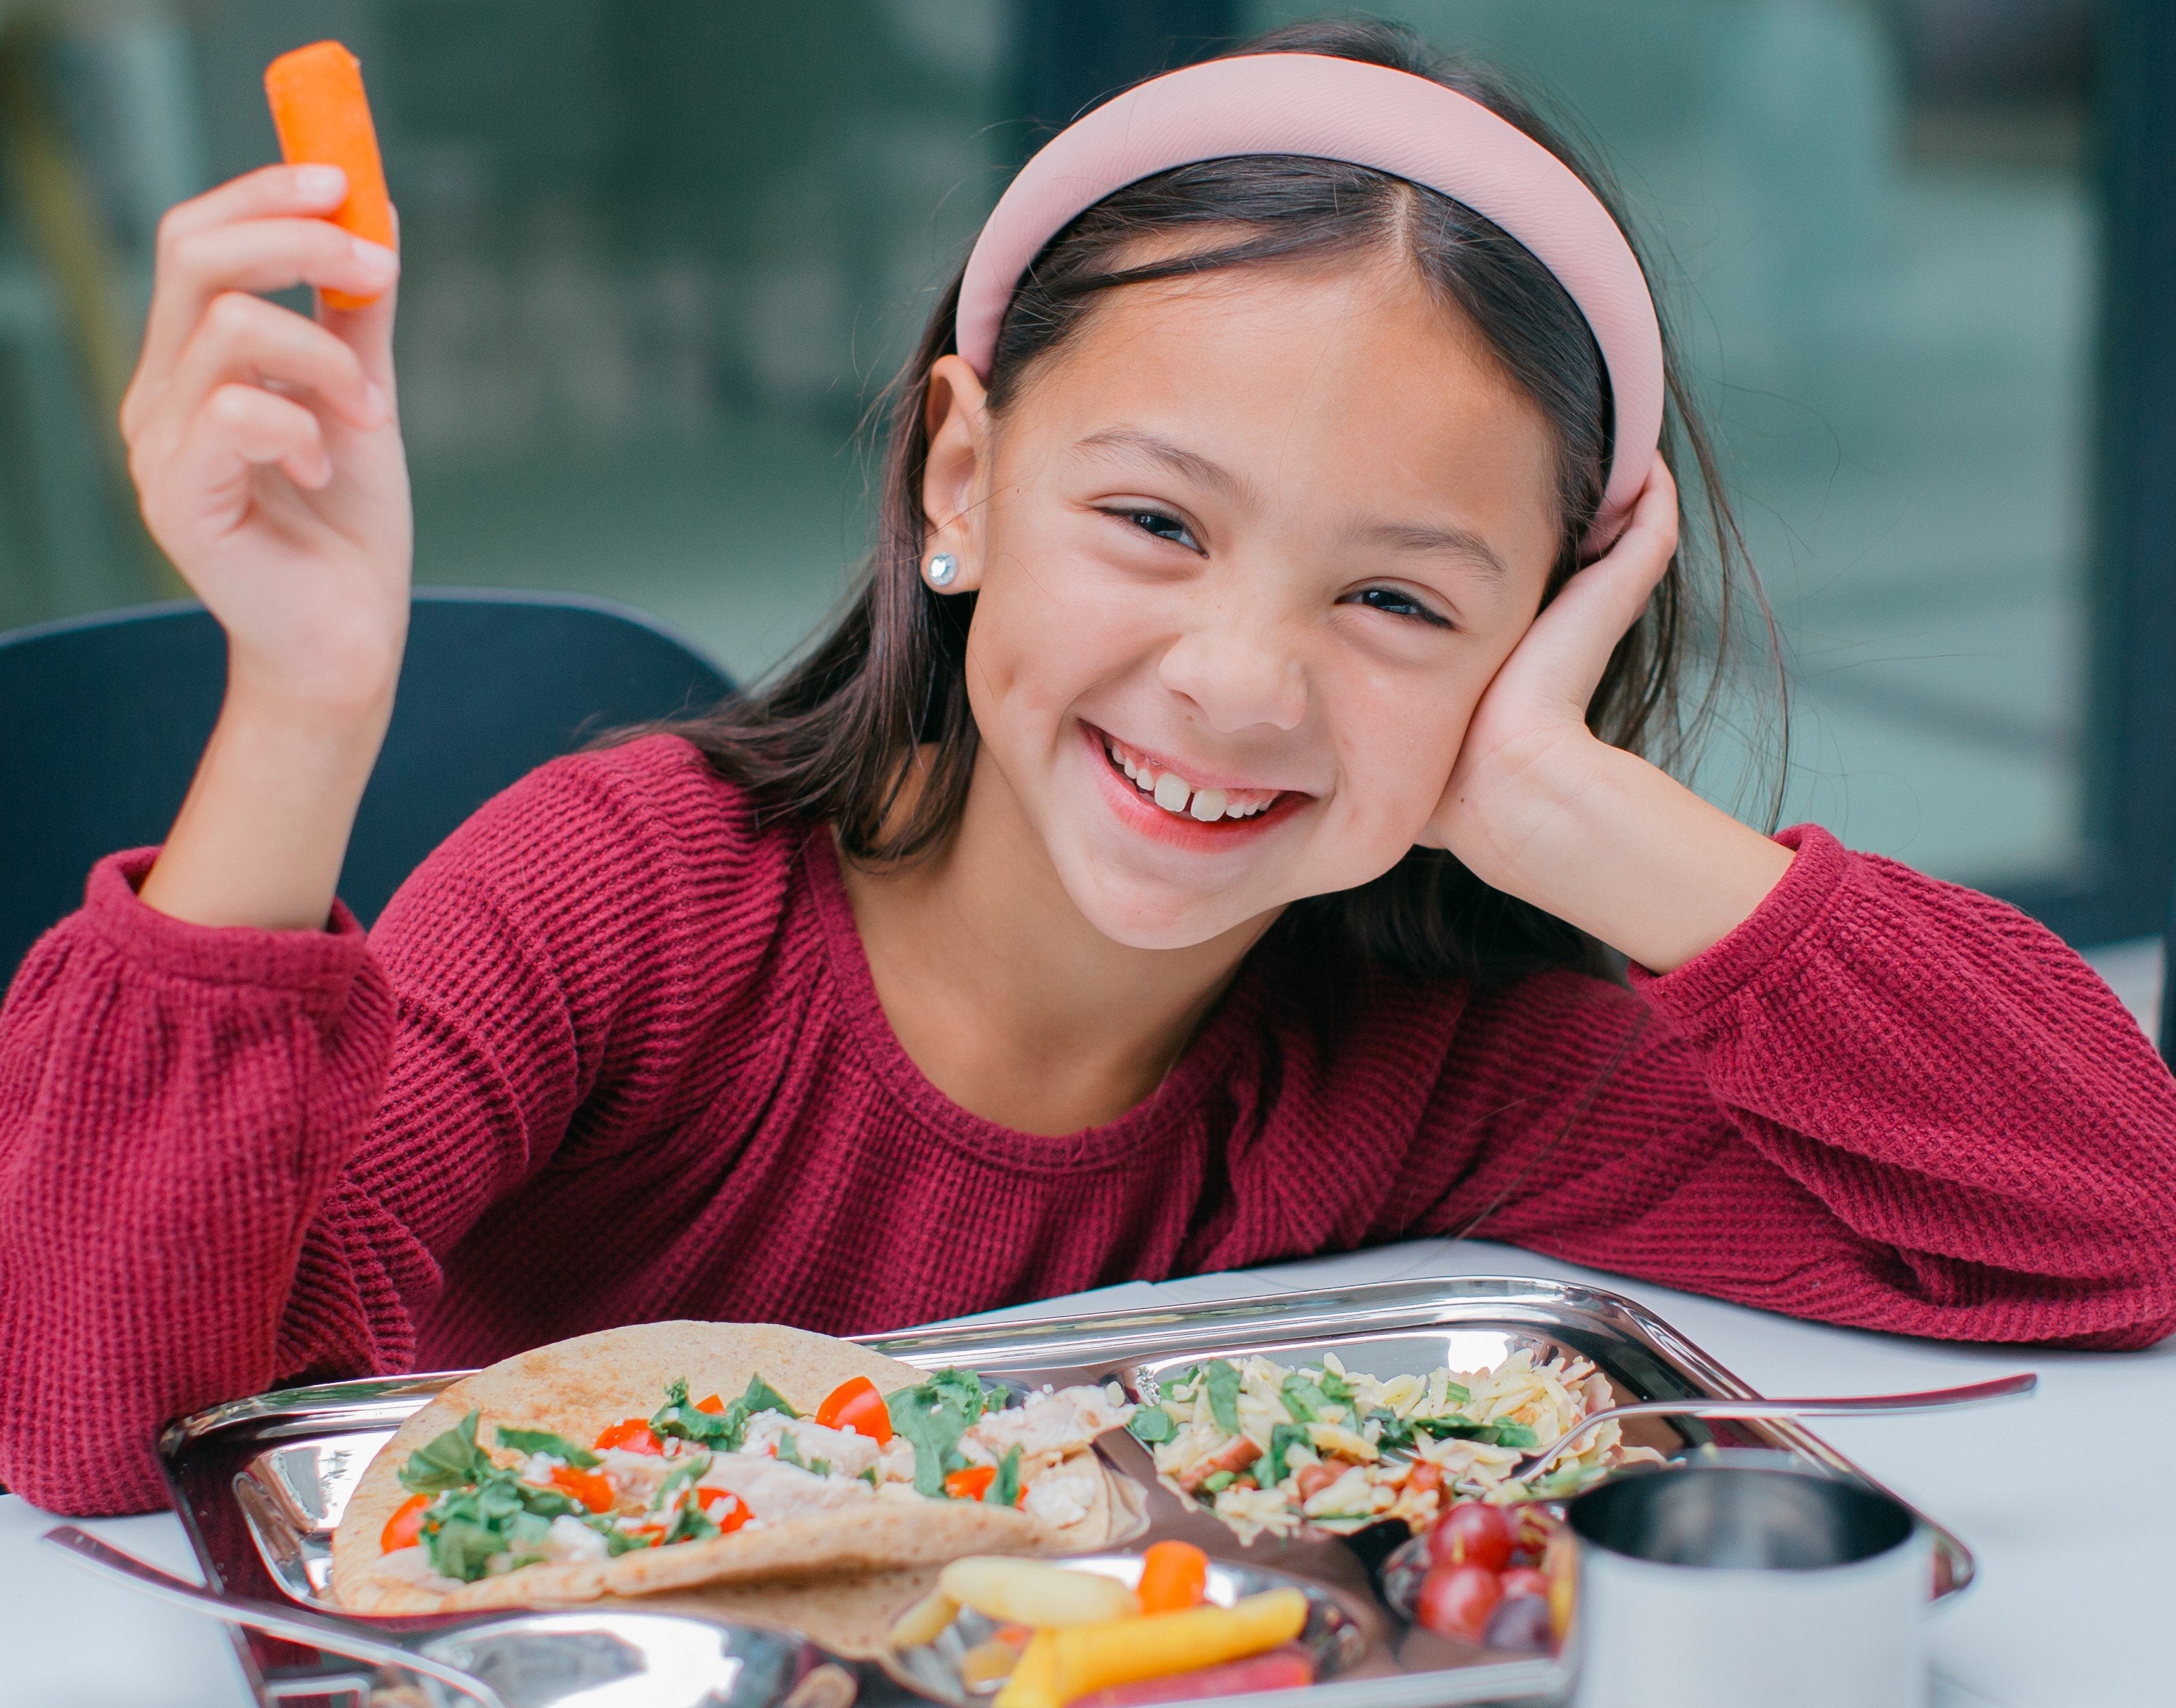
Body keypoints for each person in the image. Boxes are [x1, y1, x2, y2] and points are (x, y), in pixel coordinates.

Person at [5, 22, 2173, 1516]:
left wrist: (1566, 805)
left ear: (1544, 637)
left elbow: (2123, 1222)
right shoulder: (627, 904)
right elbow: (124, 1427)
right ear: (962, 476)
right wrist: (293, 703)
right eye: (1156, 524)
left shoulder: (1439, 1057)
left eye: (1400, 604)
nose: (1237, 684)